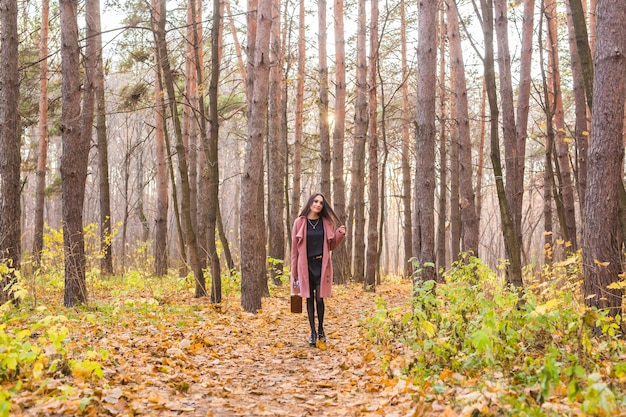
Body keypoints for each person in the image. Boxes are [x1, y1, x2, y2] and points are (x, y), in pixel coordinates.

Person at [291, 193, 346, 346]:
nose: (318, 204)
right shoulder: (299, 222)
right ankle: (313, 333)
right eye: (315, 201)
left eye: (321, 203)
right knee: (309, 299)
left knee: (319, 299)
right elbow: (294, 250)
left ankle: (321, 329)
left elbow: (331, 245)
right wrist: (294, 273)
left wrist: (339, 235)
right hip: (305, 266)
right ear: (310, 202)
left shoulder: (326, 222)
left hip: (321, 265)